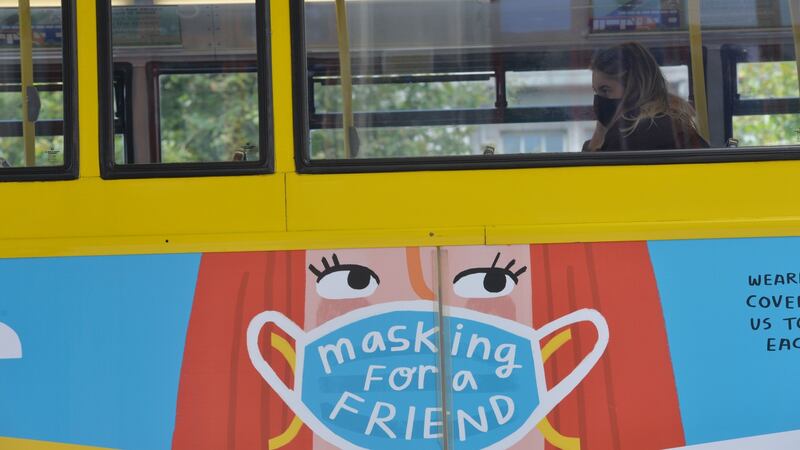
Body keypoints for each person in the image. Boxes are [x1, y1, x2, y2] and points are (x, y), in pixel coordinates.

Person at [583, 42, 709, 152]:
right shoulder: (672, 123)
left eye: (605, 90)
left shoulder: (629, 135)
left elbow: (591, 175)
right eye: (596, 92)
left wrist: (596, 141)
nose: (599, 100)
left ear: (634, 87)